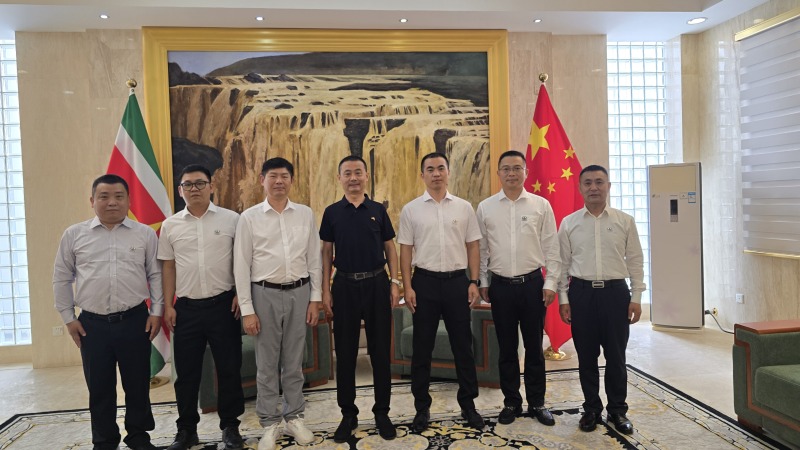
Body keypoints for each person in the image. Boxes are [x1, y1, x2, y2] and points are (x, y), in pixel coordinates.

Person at [52, 174, 163, 450]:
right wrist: (68, 318)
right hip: (92, 324)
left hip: (135, 320)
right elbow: (61, 277)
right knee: (99, 387)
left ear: (128, 200)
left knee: (137, 384)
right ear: (92, 201)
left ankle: (138, 436)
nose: (112, 202)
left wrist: (157, 311)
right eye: (104, 196)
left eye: (118, 196)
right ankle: (104, 440)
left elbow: (156, 275)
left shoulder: (144, 234)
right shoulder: (74, 235)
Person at [234, 157, 322, 450]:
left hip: (300, 292)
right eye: (273, 176)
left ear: (291, 180)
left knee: (294, 362)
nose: (279, 181)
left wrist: (315, 298)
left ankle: (294, 417)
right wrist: (248, 310)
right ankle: (270, 423)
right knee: (267, 363)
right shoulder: (249, 218)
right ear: (262, 180)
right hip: (264, 294)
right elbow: (241, 265)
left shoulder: (305, 214)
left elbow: (314, 259)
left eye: (284, 176)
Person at [158, 164, 245, 450]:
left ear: (211, 186)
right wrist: (169, 305)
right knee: (186, 374)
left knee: (229, 369)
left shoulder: (232, 220)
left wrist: (239, 293)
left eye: (199, 183)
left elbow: (242, 260)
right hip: (186, 309)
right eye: (188, 184)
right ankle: (186, 430)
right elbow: (168, 267)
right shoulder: (170, 225)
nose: (194, 189)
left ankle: (230, 427)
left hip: (224, 306)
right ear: (180, 190)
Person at [398, 151, 484, 433]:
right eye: (430, 169)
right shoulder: (411, 210)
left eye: (441, 168)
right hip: (424, 283)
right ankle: (421, 408)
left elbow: (473, 246)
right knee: (422, 348)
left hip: (458, 282)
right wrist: (408, 286)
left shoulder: (464, 208)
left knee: (463, 346)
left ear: (448, 172)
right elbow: (405, 251)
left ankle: (468, 405)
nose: (436, 173)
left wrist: (473, 281)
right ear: (422, 175)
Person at [476, 150, 562, 426]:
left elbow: (552, 247)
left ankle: (537, 402)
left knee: (534, 348)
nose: (511, 173)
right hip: (500, 286)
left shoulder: (540, 205)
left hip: (532, 286)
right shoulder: (486, 207)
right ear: (498, 173)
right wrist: (484, 281)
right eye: (506, 168)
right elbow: (482, 250)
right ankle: (511, 402)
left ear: (526, 172)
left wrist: (551, 282)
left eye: (517, 168)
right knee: (507, 349)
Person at [557, 164, 645, 435]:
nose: (593, 187)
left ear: (608, 186)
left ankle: (617, 410)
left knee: (616, 356)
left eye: (599, 182)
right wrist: (563, 299)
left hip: (615, 294)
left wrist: (637, 296)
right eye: (588, 183)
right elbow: (562, 264)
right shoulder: (569, 223)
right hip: (581, 294)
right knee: (586, 356)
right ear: (580, 187)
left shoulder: (624, 221)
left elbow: (635, 260)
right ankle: (591, 409)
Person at [320, 155, 401, 443]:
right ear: (339, 178)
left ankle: (382, 412)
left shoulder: (378, 210)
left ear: (366, 176)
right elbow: (326, 253)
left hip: (377, 284)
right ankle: (348, 414)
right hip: (344, 287)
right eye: (347, 173)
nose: (353, 178)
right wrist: (325, 290)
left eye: (358, 172)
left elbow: (390, 248)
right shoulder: (332, 212)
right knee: (345, 354)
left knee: (380, 353)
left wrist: (395, 282)